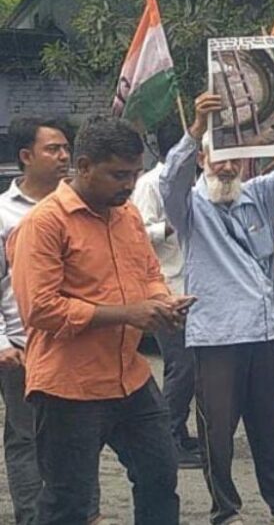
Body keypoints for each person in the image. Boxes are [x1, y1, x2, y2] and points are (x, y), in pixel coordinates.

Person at [11, 118, 186, 524]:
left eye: (135, 174)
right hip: (69, 387)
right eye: (118, 175)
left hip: (130, 377)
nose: (128, 185)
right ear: (84, 166)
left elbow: (149, 275)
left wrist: (163, 305)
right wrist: (129, 314)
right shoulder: (44, 224)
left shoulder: (125, 215)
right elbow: (40, 308)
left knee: (160, 476)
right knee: (68, 502)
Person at [161, 93, 274, 525]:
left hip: (263, 333)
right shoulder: (188, 206)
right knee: (217, 434)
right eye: (217, 159)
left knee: (273, 429)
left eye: (233, 161)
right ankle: (225, 510)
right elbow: (170, 179)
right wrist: (195, 130)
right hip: (216, 336)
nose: (226, 168)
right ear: (204, 160)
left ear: (243, 164)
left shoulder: (259, 195)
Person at [0, 116, 102, 525]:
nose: (64, 157)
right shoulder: (5, 214)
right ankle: (31, 517)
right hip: (24, 346)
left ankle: (87, 514)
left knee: (83, 437)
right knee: (27, 439)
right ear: (26, 156)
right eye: (53, 149)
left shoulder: (81, 204)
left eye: (66, 149)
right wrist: (3, 342)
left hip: (77, 340)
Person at [131, 119, 203, 470]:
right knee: (181, 368)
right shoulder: (150, 184)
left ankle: (180, 430)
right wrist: (169, 226)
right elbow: (136, 234)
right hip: (166, 290)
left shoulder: (199, 183)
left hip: (195, 290)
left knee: (192, 370)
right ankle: (169, 437)